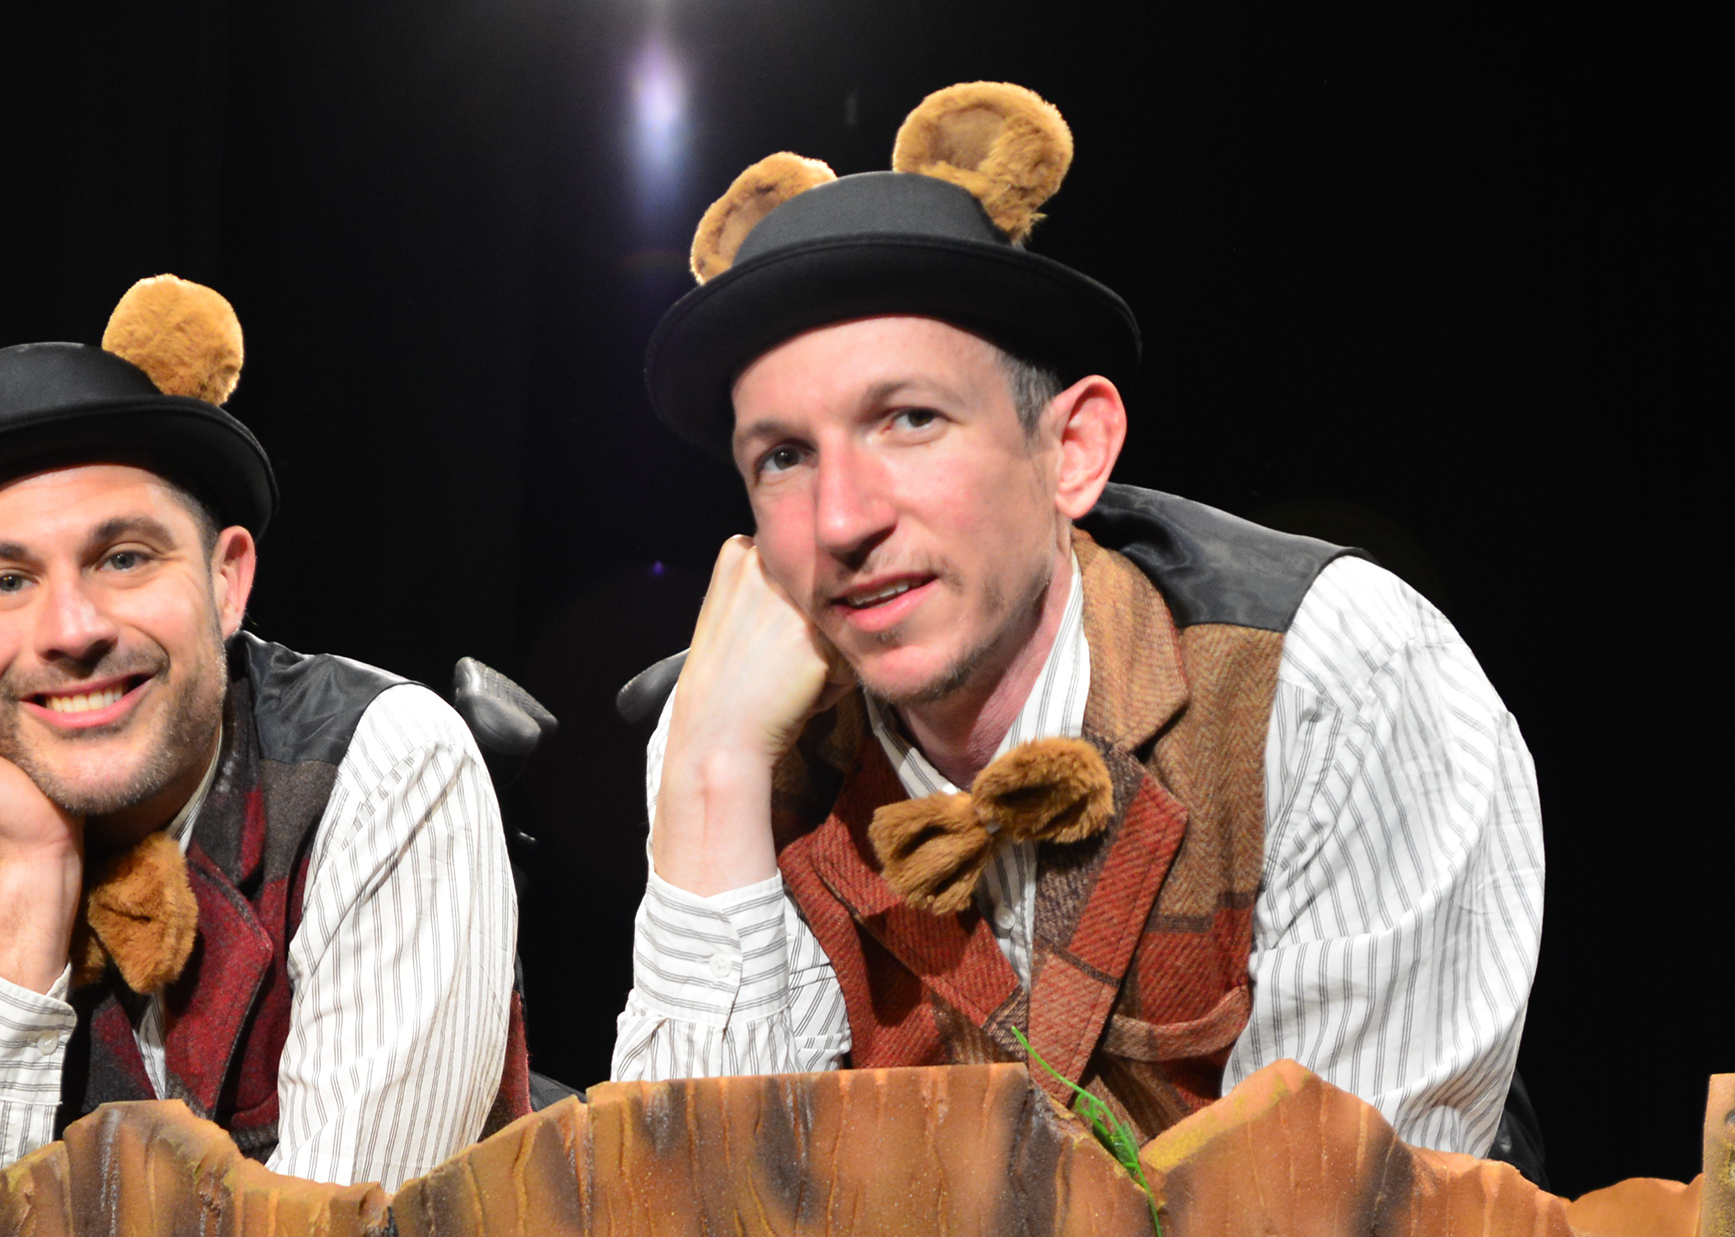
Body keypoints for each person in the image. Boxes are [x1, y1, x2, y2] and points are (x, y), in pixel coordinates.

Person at [616, 84, 1541, 1156]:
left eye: (910, 419)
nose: (842, 519)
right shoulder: (733, 745)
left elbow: (1334, 1228)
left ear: (1072, 451)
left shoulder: (1332, 676)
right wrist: (712, 770)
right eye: (784, 456)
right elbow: (699, 1215)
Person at [0, 277, 525, 1237]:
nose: (72, 628)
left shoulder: (382, 763)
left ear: (226, 581)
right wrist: (30, 885)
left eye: (124, 558)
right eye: (3, 581)